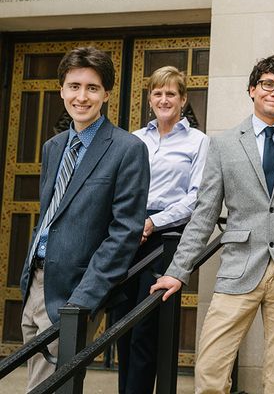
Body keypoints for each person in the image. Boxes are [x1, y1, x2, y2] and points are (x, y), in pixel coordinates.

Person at [150, 55, 274, 394]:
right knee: (211, 367)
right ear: (252, 90)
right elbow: (204, 214)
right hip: (238, 267)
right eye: (269, 85)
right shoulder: (224, 144)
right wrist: (177, 270)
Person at [20, 46, 150, 391]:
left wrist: (84, 298)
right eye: (74, 86)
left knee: (52, 383)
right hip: (36, 279)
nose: (81, 96)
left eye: (92, 88)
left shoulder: (127, 149)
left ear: (106, 94)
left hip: (76, 288)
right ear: (61, 89)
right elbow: (52, 214)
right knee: (38, 375)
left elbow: (124, 231)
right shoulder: (52, 147)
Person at [112, 66, 209, 394]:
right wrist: (130, 223)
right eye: (157, 93)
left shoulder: (198, 141)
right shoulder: (134, 139)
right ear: (150, 98)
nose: (164, 99)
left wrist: (152, 222)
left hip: (163, 241)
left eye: (171, 93)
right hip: (127, 236)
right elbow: (119, 188)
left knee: (145, 330)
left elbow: (196, 198)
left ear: (183, 99)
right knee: (120, 327)